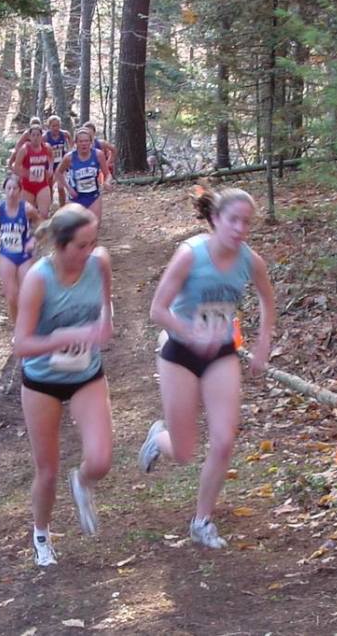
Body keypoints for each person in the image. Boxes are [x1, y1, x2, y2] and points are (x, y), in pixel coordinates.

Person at [138, 188, 275, 549]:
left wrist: (262, 343)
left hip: (221, 353)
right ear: (216, 219)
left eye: (247, 222)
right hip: (179, 351)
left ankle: (202, 520)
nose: (240, 228)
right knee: (184, 451)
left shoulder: (250, 260)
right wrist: (190, 332)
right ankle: (158, 438)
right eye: (234, 220)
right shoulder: (190, 254)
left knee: (224, 440)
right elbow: (157, 310)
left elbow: (266, 299)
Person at [13, 204, 114, 567]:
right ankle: (41, 534)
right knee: (48, 470)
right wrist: (65, 336)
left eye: (93, 243)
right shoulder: (39, 279)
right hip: (42, 380)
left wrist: (104, 323)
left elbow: (105, 306)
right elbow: (21, 344)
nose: (90, 251)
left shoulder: (99, 262)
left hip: (87, 372)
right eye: (82, 246)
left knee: (101, 460)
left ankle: (83, 482)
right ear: (60, 245)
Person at [0, 173, 42, 325]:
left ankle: (30, 322)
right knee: (11, 296)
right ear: (4, 190)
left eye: (15, 188)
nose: (11, 192)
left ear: (20, 191)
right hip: (6, 254)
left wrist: (33, 240)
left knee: (26, 293)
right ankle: (18, 328)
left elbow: (42, 225)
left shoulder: (27, 209)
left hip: (24, 255)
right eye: (8, 188)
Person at [54, 128, 111, 223]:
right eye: (80, 141)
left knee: (94, 226)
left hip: (93, 196)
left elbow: (107, 174)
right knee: (74, 230)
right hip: (75, 197)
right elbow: (58, 173)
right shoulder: (69, 157)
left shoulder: (98, 154)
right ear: (76, 143)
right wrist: (68, 188)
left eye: (86, 141)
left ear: (91, 142)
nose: (84, 144)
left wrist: (107, 182)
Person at [15, 124, 54, 218]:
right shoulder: (24, 149)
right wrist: (26, 174)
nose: (36, 138)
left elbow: (51, 158)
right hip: (27, 186)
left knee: (44, 215)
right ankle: (30, 232)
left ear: (41, 136)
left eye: (38, 135)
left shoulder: (47, 147)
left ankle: (41, 231)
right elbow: (16, 166)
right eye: (33, 135)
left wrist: (50, 169)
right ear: (29, 137)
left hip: (42, 184)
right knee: (28, 216)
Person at [44, 115, 72, 206]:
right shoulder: (45, 137)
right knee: (49, 186)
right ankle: (50, 205)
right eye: (53, 126)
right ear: (49, 126)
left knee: (60, 187)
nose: (56, 128)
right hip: (49, 164)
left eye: (58, 125)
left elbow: (71, 143)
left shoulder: (64, 134)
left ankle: (62, 207)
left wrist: (70, 152)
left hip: (61, 163)